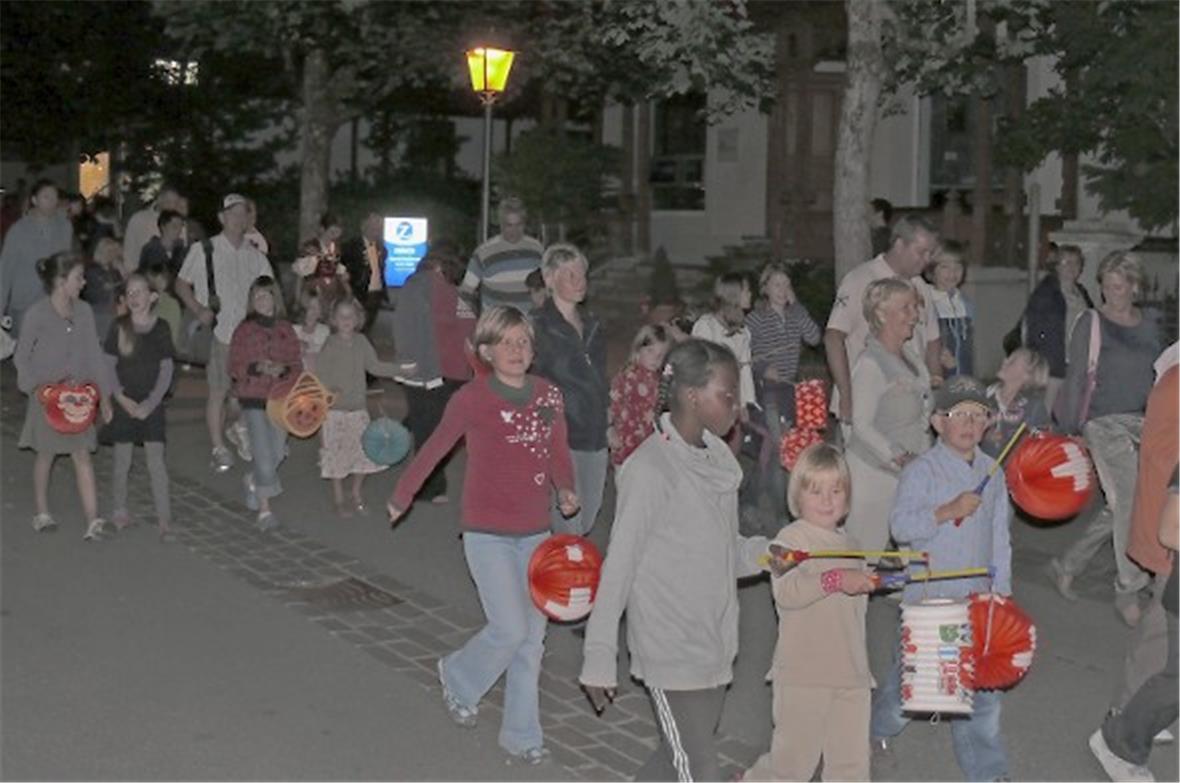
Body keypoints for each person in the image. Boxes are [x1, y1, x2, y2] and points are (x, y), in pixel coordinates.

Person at [387, 306, 579, 767]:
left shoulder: (548, 396)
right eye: (506, 342)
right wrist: (404, 493)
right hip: (486, 532)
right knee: (510, 628)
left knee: (532, 639)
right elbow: (435, 446)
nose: (516, 350)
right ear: (487, 351)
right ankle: (458, 676)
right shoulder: (472, 399)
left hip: (535, 531)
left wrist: (566, 487)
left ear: (533, 350)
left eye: (523, 342)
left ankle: (520, 734)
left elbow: (557, 450)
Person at [579, 339, 772, 781]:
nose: (735, 406)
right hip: (670, 647)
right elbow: (619, 568)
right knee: (698, 768)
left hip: (713, 640)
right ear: (691, 396)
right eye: (726, 395)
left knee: (675, 757)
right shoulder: (650, 469)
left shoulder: (715, 461)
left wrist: (764, 553)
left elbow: (724, 552)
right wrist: (598, 655)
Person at [871, 375, 1013, 782]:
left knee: (983, 693)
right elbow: (901, 527)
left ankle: (987, 771)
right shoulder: (922, 471)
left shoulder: (993, 472)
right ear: (936, 422)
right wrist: (944, 511)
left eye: (978, 414)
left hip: (978, 602)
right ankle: (877, 731)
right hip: (932, 600)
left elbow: (999, 537)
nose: (969, 423)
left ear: (988, 423)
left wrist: (1001, 594)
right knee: (912, 688)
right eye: (957, 414)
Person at [742, 443, 874, 782]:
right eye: (815, 491)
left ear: (847, 497)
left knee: (852, 766)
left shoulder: (854, 545)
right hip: (803, 674)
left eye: (836, 490)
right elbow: (786, 592)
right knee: (791, 764)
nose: (827, 500)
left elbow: (852, 617)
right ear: (797, 496)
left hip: (851, 674)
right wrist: (835, 579)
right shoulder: (785, 542)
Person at [1049, 251, 1162, 626]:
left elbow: (1161, 374)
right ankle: (1128, 587)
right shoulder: (1091, 322)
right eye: (1106, 286)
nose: (1112, 294)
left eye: (1119, 286)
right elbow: (1077, 377)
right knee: (1129, 498)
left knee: (1123, 505)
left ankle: (1067, 563)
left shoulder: (1150, 324)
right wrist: (1071, 430)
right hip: (1103, 422)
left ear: (1134, 286)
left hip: (1143, 422)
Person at [14, 251, 114, 539]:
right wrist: (35, 387)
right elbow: (22, 356)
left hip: (77, 395)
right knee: (46, 455)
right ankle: (42, 511)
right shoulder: (38, 314)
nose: (83, 282)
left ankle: (93, 520)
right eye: (78, 277)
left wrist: (103, 396)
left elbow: (94, 355)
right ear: (60, 281)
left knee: (82, 454)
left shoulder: (83, 311)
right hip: (46, 396)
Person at [175, 193, 275, 473]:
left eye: (244, 213)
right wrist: (198, 309)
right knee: (218, 391)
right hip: (220, 332)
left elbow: (269, 289)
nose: (239, 218)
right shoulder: (204, 249)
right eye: (233, 213)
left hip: (249, 335)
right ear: (222, 217)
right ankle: (218, 445)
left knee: (248, 391)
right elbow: (181, 284)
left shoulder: (255, 255)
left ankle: (239, 429)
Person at [825, 214, 942, 427]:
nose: (926, 260)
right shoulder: (860, 279)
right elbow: (834, 337)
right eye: (921, 252)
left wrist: (935, 388)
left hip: (911, 405)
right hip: (869, 402)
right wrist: (846, 396)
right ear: (899, 244)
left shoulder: (921, 287)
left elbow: (933, 339)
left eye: (930, 254)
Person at [844, 278, 933, 555]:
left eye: (915, 307)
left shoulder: (910, 356)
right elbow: (860, 424)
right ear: (882, 314)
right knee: (861, 558)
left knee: (918, 557)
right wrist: (897, 455)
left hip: (911, 472)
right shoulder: (871, 363)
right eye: (905, 308)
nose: (915, 315)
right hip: (874, 473)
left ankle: (914, 594)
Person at [531, 243, 609, 537]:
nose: (580, 281)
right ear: (549, 279)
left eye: (583, 274)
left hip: (594, 432)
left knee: (587, 517)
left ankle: (553, 566)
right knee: (568, 524)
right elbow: (527, 380)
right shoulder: (537, 325)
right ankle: (558, 577)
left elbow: (600, 376)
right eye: (570, 274)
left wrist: (608, 414)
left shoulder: (592, 325)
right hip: (561, 435)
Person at [390, 247, 477, 504]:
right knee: (432, 430)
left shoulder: (451, 291)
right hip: (432, 371)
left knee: (434, 426)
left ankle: (396, 439)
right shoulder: (420, 286)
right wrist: (408, 361)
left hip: (455, 372)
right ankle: (429, 487)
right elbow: (405, 325)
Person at [315, 297, 415, 517]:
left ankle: (356, 492)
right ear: (334, 320)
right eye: (341, 316)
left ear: (358, 319)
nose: (346, 320)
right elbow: (319, 374)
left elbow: (375, 366)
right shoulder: (330, 344)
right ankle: (339, 498)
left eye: (350, 316)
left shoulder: (361, 341)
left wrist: (399, 370)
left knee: (364, 452)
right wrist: (331, 390)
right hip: (335, 411)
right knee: (336, 454)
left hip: (358, 409)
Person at [745, 261, 822, 524]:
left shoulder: (794, 315)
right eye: (776, 284)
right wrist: (763, 368)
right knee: (779, 449)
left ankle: (754, 501)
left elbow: (814, 338)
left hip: (792, 391)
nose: (782, 289)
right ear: (765, 288)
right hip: (769, 393)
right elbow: (745, 356)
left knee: (791, 451)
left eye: (786, 284)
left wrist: (797, 305)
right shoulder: (755, 319)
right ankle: (780, 514)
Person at [100, 273, 175, 540]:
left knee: (156, 462)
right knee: (122, 461)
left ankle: (164, 518)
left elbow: (166, 370)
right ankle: (119, 509)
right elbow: (108, 365)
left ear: (153, 296)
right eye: (129, 293)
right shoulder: (119, 327)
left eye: (139, 292)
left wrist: (150, 403)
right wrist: (118, 398)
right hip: (125, 403)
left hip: (150, 404)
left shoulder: (161, 327)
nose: (133, 297)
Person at [228, 275, 302, 531]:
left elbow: (296, 364)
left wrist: (282, 370)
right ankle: (265, 511)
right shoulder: (244, 330)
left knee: (277, 451)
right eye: (256, 296)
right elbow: (234, 364)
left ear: (274, 298)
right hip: (253, 397)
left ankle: (253, 480)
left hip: (280, 398)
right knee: (263, 455)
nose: (260, 300)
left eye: (265, 295)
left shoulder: (286, 329)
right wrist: (256, 367)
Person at [1021, 244, 1093, 412]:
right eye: (1066, 262)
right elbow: (1034, 326)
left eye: (1076, 263)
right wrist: (1039, 359)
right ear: (1057, 266)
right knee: (1047, 406)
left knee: (1071, 407)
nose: (1071, 267)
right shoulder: (1046, 292)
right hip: (1054, 360)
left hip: (1077, 360)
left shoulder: (1081, 292)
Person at [0, 179, 73, 336]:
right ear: (34, 200)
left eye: (54, 197)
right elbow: (5, 271)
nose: (52, 201)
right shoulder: (19, 230)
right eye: (46, 197)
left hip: (55, 300)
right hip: (25, 302)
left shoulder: (64, 227)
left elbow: (67, 263)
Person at [460, 196, 544, 314]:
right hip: (496, 327)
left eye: (518, 225)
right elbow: (466, 292)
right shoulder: (484, 253)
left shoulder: (537, 250)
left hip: (529, 326)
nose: (514, 231)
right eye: (509, 225)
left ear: (524, 223)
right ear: (501, 224)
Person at [607, 323, 671, 470]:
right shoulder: (627, 377)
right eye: (650, 351)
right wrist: (610, 431)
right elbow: (612, 404)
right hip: (626, 443)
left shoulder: (661, 381)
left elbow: (662, 413)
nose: (655, 359)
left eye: (660, 355)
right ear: (638, 349)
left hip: (651, 446)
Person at [983, 347, 1051, 459]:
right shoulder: (983, 396)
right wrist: (982, 434)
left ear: (1027, 375)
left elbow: (1041, 451)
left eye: (1012, 361)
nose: (1004, 361)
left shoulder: (1034, 408)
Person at [928, 239, 975, 377]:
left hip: (964, 372)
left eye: (957, 267)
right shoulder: (928, 302)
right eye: (945, 267)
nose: (952, 273)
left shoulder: (965, 303)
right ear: (932, 269)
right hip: (938, 374)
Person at [340, 212, 388, 332]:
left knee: (368, 327)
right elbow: (342, 268)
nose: (376, 229)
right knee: (355, 326)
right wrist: (349, 290)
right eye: (373, 225)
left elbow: (381, 269)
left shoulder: (381, 247)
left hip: (376, 293)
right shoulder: (351, 246)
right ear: (364, 226)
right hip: (359, 293)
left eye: (379, 226)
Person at [123, 185, 184, 275]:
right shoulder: (139, 219)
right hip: (143, 275)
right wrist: (132, 275)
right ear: (159, 199)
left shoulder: (181, 223)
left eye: (176, 203)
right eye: (169, 202)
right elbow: (129, 250)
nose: (172, 206)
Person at [82, 236, 126, 340]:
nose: (112, 254)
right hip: (99, 313)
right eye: (109, 251)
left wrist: (121, 270)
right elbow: (105, 289)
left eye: (114, 251)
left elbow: (123, 288)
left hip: (114, 312)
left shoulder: (113, 271)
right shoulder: (92, 270)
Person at [144, 262, 183, 353]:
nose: (157, 285)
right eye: (153, 282)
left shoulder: (171, 304)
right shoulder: (148, 302)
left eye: (160, 281)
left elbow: (172, 334)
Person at [292, 285, 330, 372]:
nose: (313, 311)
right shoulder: (294, 329)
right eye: (310, 307)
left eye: (317, 308)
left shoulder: (324, 331)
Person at [137, 209, 187, 275]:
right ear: (163, 226)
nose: (179, 230)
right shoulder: (149, 250)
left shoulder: (183, 251)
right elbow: (142, 275)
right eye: (174, 226)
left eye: (181, 226)